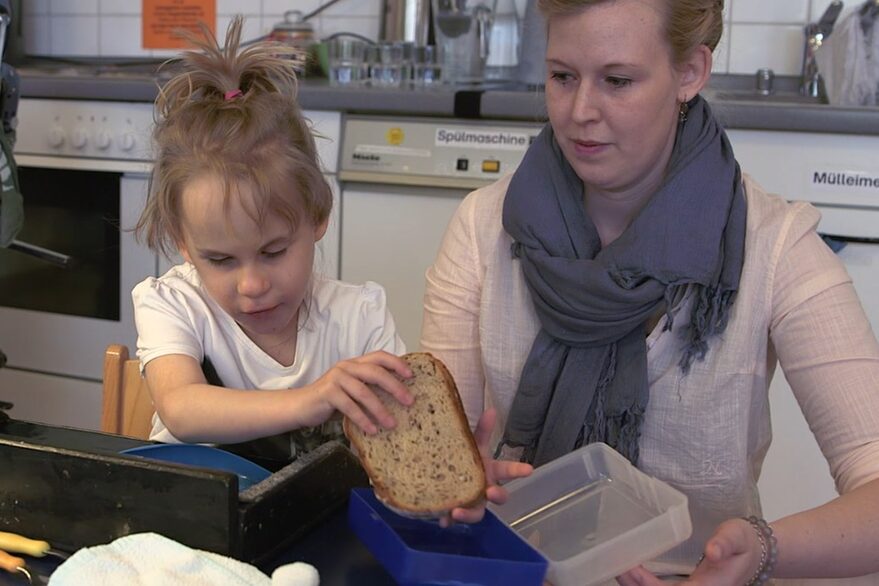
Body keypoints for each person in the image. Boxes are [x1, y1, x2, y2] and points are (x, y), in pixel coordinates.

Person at [421, 0, 879, 583]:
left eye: (617, 81)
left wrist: (761, 550)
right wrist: (453, 483)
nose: (579, 111)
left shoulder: (775, 248)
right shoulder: (484, 227)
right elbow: (438, 454)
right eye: (562, 76)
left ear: (690, 71)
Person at [132, 17, 413, 461]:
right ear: (182, 242)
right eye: (221, 260)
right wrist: (313, 399)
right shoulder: (172, 303)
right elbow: (182, 409)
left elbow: (402, 446)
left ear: (317, 216)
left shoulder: (360, 321)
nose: (252, 284)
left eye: (273, 251)